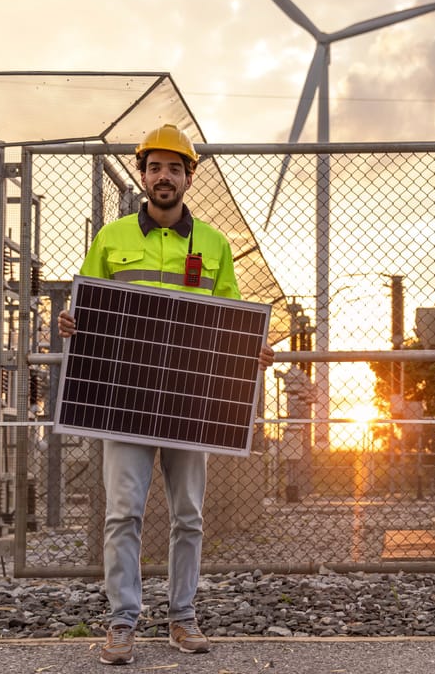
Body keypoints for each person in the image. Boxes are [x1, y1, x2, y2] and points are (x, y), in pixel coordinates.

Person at [57, 124, 274, 665]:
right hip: (124, 401)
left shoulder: (216, 246)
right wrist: (69, 320)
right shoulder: (110, 240)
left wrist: (251, 349)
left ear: (188, 177)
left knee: (189, 516)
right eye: (155, 167)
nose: (164, 177)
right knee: (122, 514)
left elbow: (230, 324)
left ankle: (182, 619)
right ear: (143, 174)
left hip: (189, 403)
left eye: (174, 168)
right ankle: (121, 624)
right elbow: (85, 312)